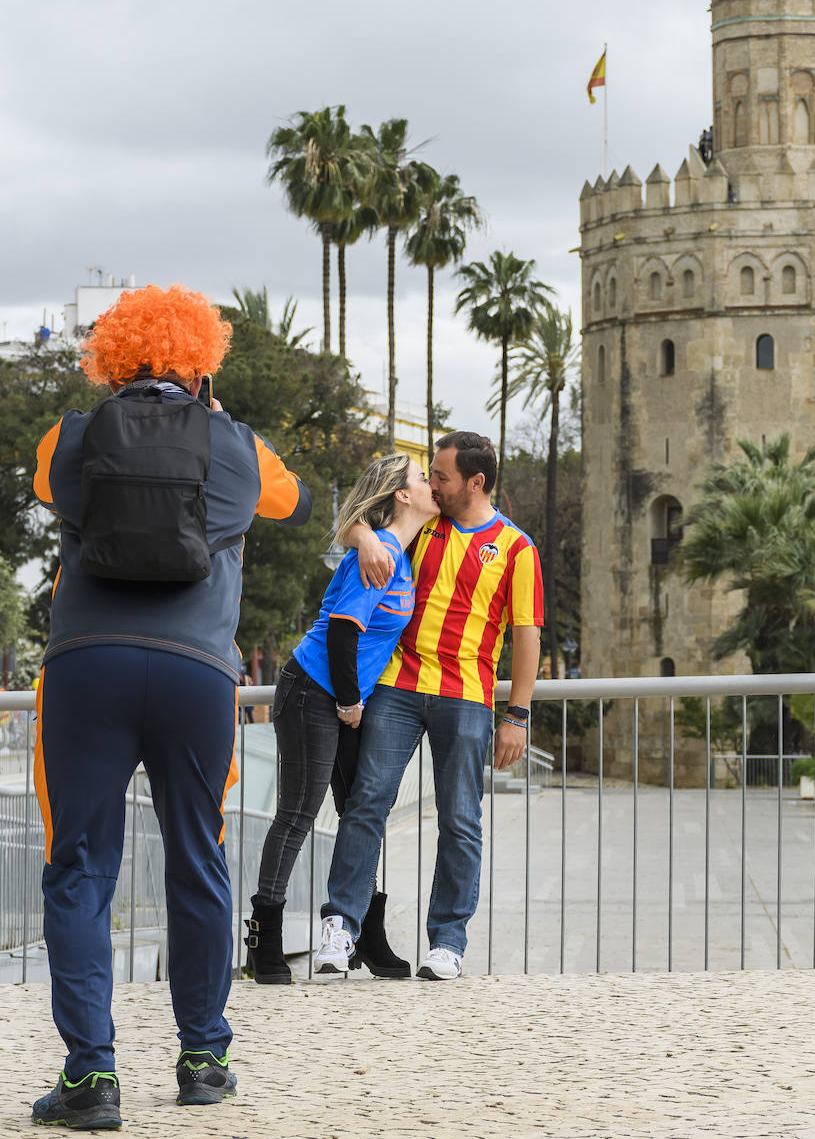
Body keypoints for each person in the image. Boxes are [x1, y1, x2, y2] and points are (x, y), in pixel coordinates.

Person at [31, 285, 311, 1129]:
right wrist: (214, 421)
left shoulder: (71, 439)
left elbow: (50, 491)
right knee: (198, 859)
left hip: (87, 668)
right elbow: (289, 501)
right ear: (203, 361)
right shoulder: (236, 446)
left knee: (79, 866)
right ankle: (202, 1058)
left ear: (112, 359)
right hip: (197, 675)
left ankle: (90, 1078)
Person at [319, 430, 542, 981]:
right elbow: (352, 518)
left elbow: (526, 634)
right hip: (397, 686)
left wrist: (517, 714)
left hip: (467, 696)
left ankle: (448, 941)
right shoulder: (424, 524)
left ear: (476, 482)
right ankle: (340, 926)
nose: (433, 484)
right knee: (367, 801)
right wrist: (363, 538)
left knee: (461, 820)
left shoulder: (516, 548)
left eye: (441, 476)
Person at [244, 452, 437, 984]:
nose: (432, 485)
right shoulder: (377, 558)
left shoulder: (397, 548)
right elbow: (343, 631)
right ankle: (265, 939)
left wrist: (360, 531)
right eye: (424, 479)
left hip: (346, 699)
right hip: (314, 692)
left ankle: (366, 935)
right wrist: (351, 702)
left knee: (361, 813)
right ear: (402, 495)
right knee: (299, 812)